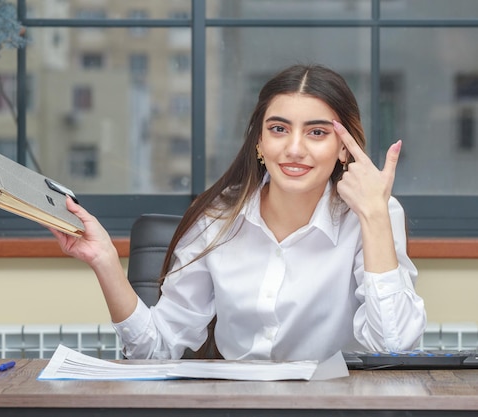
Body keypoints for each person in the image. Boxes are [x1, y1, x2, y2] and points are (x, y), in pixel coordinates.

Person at [50, 64, 427, 362]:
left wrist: (375, 216)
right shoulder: (217, 217)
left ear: (344, 148)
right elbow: (155, 350)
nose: (294, 149)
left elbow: (393, 351)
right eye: (279, 129)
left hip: (336, 409)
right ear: (260, 143)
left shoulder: (373, 213)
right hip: (236, 407)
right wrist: (104, 260)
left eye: (316, 133)